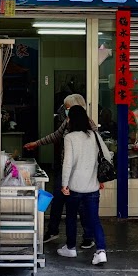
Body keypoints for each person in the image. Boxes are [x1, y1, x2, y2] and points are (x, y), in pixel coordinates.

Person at [24, 93, 95, 248]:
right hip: (65, 168)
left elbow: (96, 151)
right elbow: (56, 136)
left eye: (68, 108)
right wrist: (36, 144)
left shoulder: (90, 126)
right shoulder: (67, 122)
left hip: (82, 172)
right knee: (58, 199)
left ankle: (88, 236)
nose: (66, 110)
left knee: (82, 206)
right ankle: (53, 230)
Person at [57, 105, 108, 265]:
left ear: (70, 119)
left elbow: (67, 163)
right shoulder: (94, 135)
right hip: (92, 186)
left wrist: (64, 184)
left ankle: (71, 248)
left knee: (71, 217)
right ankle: (101, 251)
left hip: (74, 186)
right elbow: (107, 155)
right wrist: (100, 179)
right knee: (94, 219)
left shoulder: (70, 138)